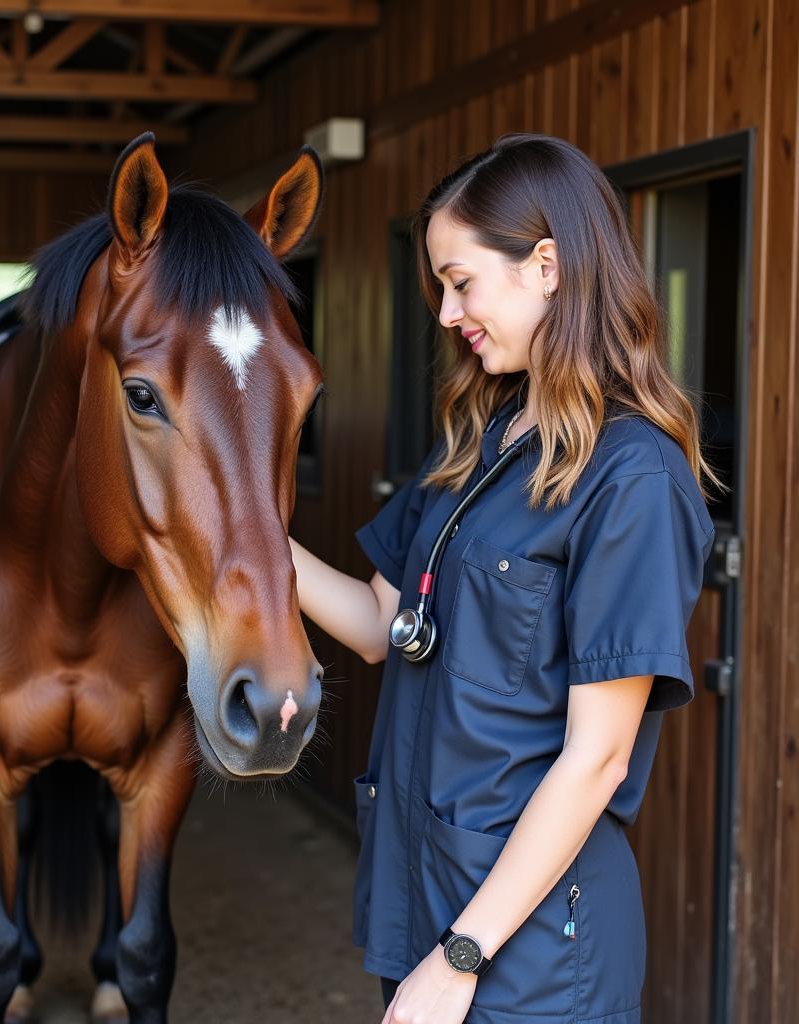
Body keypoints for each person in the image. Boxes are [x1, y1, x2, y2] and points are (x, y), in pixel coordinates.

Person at [289, 133, 725, 1024]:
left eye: (460, 282)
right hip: (430, 900)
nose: (447, 314)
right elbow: (379, 626)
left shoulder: (631, 477)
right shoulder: (481, 443)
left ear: (549, 266)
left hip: (526, 954)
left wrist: (461, 956)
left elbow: (597, 757)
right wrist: (236, 539)